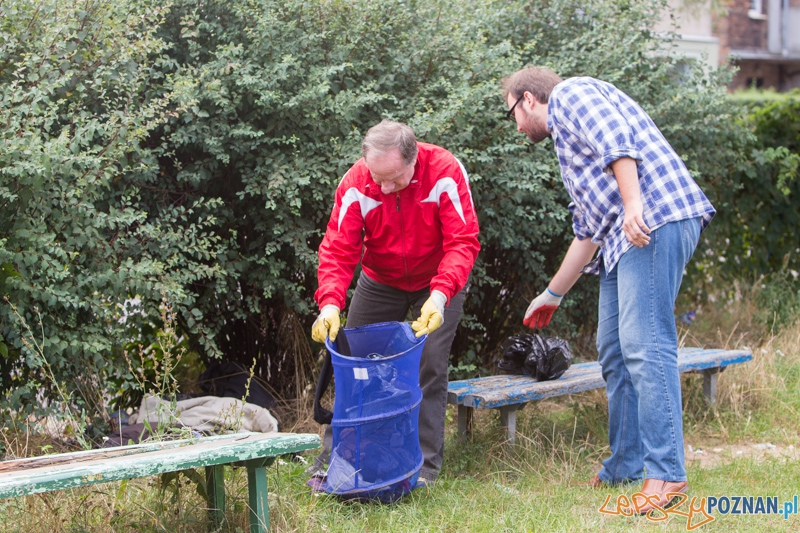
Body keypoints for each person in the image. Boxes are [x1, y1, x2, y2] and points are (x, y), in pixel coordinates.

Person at [502, 67, 715, 513]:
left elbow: (619, 139)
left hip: (655, 219)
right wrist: (553, 294)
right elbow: (589, 232)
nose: (517, 129)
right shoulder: (565, 140)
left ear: (526, 99)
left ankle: (667, 473)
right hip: (623, 237)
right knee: (614, 349)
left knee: (645, 344)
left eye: (512, 116)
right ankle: (626, 464)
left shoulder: (571, 95)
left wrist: (635, 206)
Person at [310, 119, 480, 485]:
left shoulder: (445, 172)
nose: (384, 187)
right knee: (351, 358)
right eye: (377, 177)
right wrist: (329, 304)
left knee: (430, 363)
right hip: (380, 279)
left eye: (394, 179)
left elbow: (462, 241)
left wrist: (439, 296)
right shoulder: (356, 182)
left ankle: (424, 467)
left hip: (437, 280)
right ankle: (336, 457)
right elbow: (338, 250)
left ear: (413, 160)